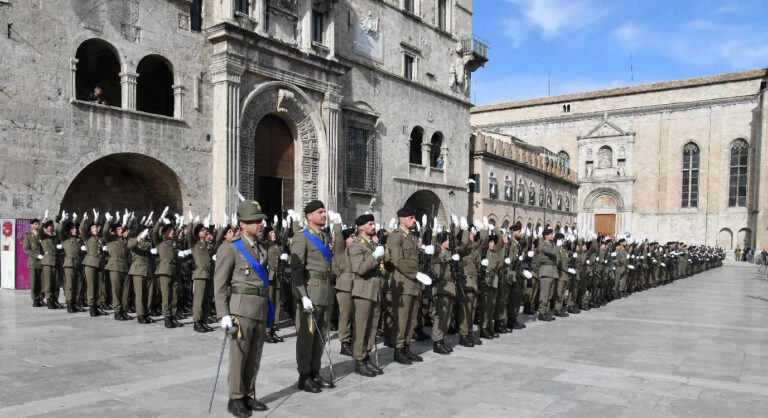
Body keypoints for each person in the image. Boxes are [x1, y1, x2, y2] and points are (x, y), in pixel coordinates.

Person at [214, 200, 271, 416]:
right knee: (239, 355)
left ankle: (248, 393)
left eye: (260, 220)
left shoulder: (261, 249)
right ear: (242, 224)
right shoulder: (230, 249)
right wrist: (223, 314)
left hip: (260, 307)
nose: (260, 224)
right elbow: (219, 284)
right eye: (255, 221)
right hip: (241, 310)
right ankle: (235, 398)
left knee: (255, 354)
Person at [290, 200, 335, 392]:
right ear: (309, 216)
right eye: (320, 212)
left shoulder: (324, 236)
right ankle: (304, 375)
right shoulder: (302, 238)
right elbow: (296, 270)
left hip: (325, 291)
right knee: (306, 336)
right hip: (311, 292)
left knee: (321, 335)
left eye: (325, 211)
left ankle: (315, 371)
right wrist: (303, 295)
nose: (324, 215)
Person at [388, 207, 431, 364]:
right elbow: (398, 261)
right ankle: (399, 350)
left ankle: (406, 347)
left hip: (414, 285)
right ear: (402, 219)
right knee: (402, 319)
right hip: (403, 284)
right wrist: (415, 274)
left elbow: (414, 259)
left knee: (412, 318)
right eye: (411, 217)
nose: (414, 220)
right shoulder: (395, 237)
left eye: (414, 217)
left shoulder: (412, 237)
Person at [347, 213, 386, 376]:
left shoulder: (371, 244)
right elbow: (360, 269)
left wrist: (381, 250)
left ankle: (367, 356)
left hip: (375, 290)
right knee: (362, 328)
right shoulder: (356, 246)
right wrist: (375, 255)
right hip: (363, 291)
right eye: (370, 224)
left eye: (373, 223)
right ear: (362, 227)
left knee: (372, 327)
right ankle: (359, 360)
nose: (373, 226)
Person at [105, 214, 133, 321]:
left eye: (122, 228)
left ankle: (124, 310)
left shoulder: (124, 240)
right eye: (119, 229)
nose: (121, 230)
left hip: (125, 266)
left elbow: (128, 232)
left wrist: (128, 221)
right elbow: (105, 231)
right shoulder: (111, 239)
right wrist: (108, 220)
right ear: (115, 231)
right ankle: (117, 312)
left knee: (125, 291)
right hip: (115, 266)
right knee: (117, 291)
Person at [189, 218, 214, 333]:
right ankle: (197, 322)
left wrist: (210, 241)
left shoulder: (207, 245)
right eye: (202, 230)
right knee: (199, 299)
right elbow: (189, 234)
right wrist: (191, 223)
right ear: (198, 233)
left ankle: (204, 320)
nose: (205, 231)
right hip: (200, 274)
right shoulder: (195, 244)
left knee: (207, 299)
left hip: (208, 274)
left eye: (205, 230)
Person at [23, 218, 44, 307]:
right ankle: (35, 299)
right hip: (33, 263)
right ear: (32, 225)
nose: (37, 225)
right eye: (36, 224)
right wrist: (36, 255)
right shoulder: (28, 236)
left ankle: (41, 298)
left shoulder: (41, 236)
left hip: (42, 262)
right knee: (34, 282)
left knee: (42, 282)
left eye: (38, 224)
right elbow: (26, 249)